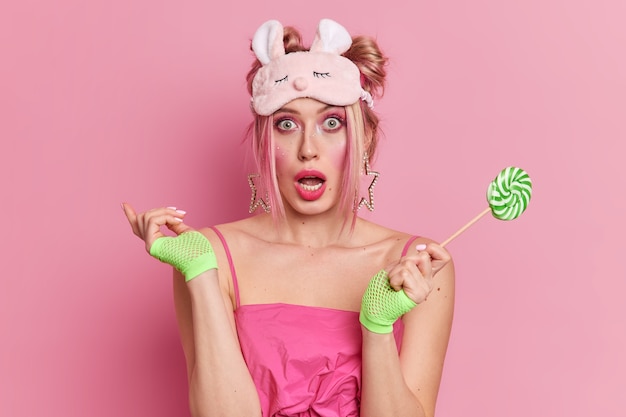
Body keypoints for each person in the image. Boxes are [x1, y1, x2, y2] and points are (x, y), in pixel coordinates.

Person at [123, 18, 454, 417]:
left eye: (331, 123)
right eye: (286, 125)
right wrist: (201, 274)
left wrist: (378, 328)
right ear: (266, 142)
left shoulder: (418, 266)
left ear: (362, 138)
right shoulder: (210, 254)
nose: (307, 149)